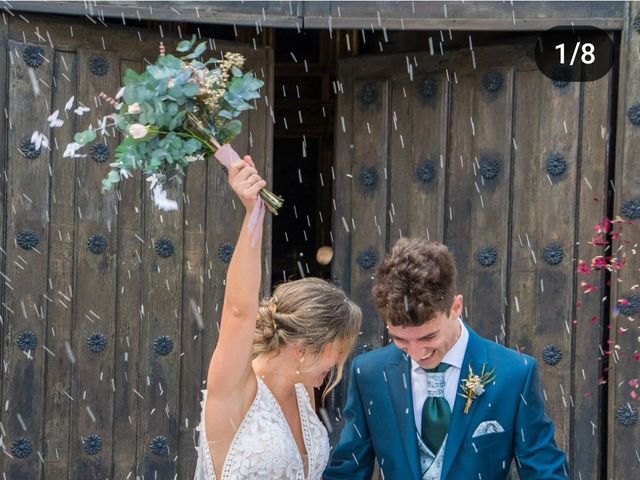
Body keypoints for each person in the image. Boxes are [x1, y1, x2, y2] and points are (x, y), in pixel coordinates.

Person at [323, 238, 568, 480]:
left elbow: (544, 471)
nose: (417, 353)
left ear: (456, 307)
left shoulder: (514, 373)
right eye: (401, 340)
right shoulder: (369, 373)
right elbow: (348, 471)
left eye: (429, 337)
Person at [193, 154, 362, 480]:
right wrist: (253, 213)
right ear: (302, 348)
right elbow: (239, 311)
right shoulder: (236, 386)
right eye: (336, 353)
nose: (337, 365)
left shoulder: (303, 390)